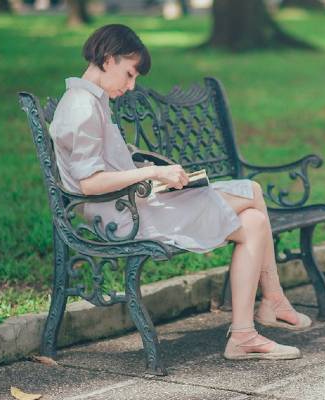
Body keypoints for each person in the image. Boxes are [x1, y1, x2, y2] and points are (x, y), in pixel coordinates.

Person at [48, 24, 311, 361]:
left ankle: (247, 332)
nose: (130, 86)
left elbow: (102, 163)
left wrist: (148, 165)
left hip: (130, 204)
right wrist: (154, 172)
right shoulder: (82, 107)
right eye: (129, 75)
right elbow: (89, 184)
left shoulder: (90, 101)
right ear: (108, 59)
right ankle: (271, 302)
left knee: (256, 221)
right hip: (118, 217)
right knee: (252, 192)